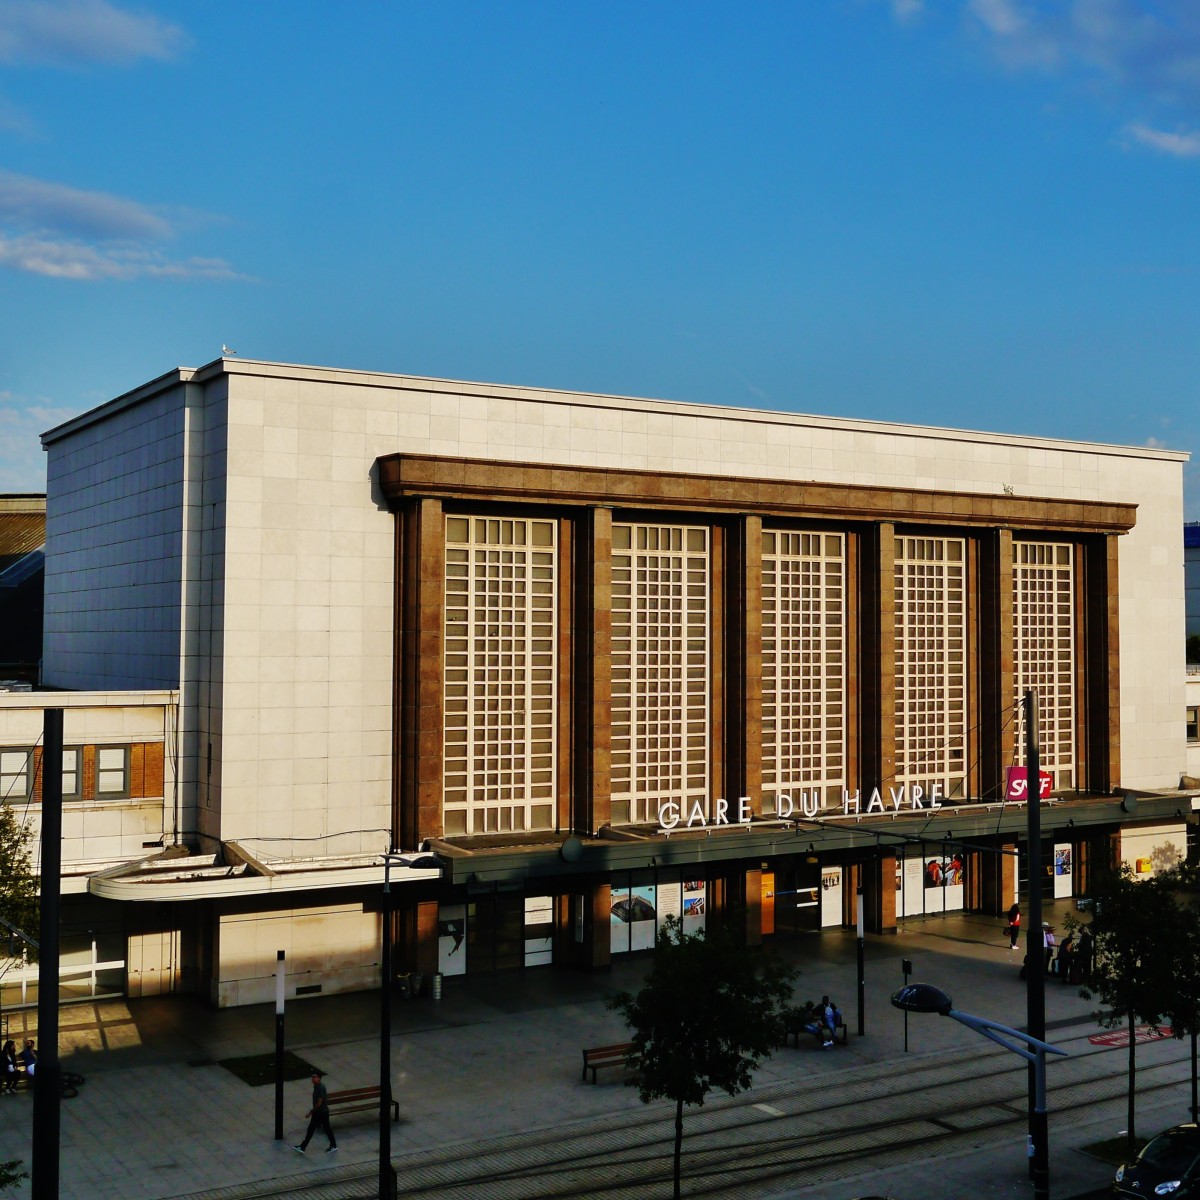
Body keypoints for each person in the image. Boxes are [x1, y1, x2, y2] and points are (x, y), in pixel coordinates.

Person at [294, 1071, 337, 1154]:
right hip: (319, 1112)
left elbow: (319, 1102)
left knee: (323, 1129)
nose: (312, 1079)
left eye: (314, 1077)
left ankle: (303, 1147)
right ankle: (303, 1147)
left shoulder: (320, 1088)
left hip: (321, 1112)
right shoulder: (316, 1086)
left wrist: (311, 1112)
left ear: (319, 1078)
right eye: (312, 1077)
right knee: (314, 1129)